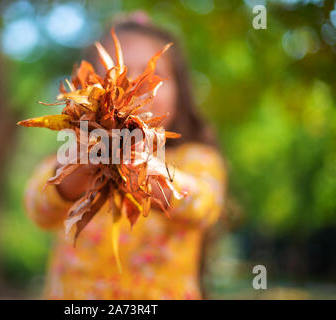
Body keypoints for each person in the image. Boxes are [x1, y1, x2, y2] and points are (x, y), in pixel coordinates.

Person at [24, 18, 226, 299]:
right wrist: (77, 169)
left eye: (155, 74)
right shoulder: (72, 154)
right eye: (122, 73)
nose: (138, 85)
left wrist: (144, 168)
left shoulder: (197, 158)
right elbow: (38, 207)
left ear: (181, 91)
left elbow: (204, 205)